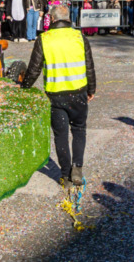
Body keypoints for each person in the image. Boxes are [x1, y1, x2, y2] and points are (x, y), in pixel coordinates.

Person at [19, 11, 96, 186]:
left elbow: (33, 69)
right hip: (78, 91)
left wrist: (23, 88)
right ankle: (77, 167)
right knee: (79, 130)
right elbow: (89, 66)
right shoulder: (79, 37)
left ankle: (65, 175)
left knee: (60, 135)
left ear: (52, 19)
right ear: (68, 18)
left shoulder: (44, 39)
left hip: (55, 95)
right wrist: (91, 89)